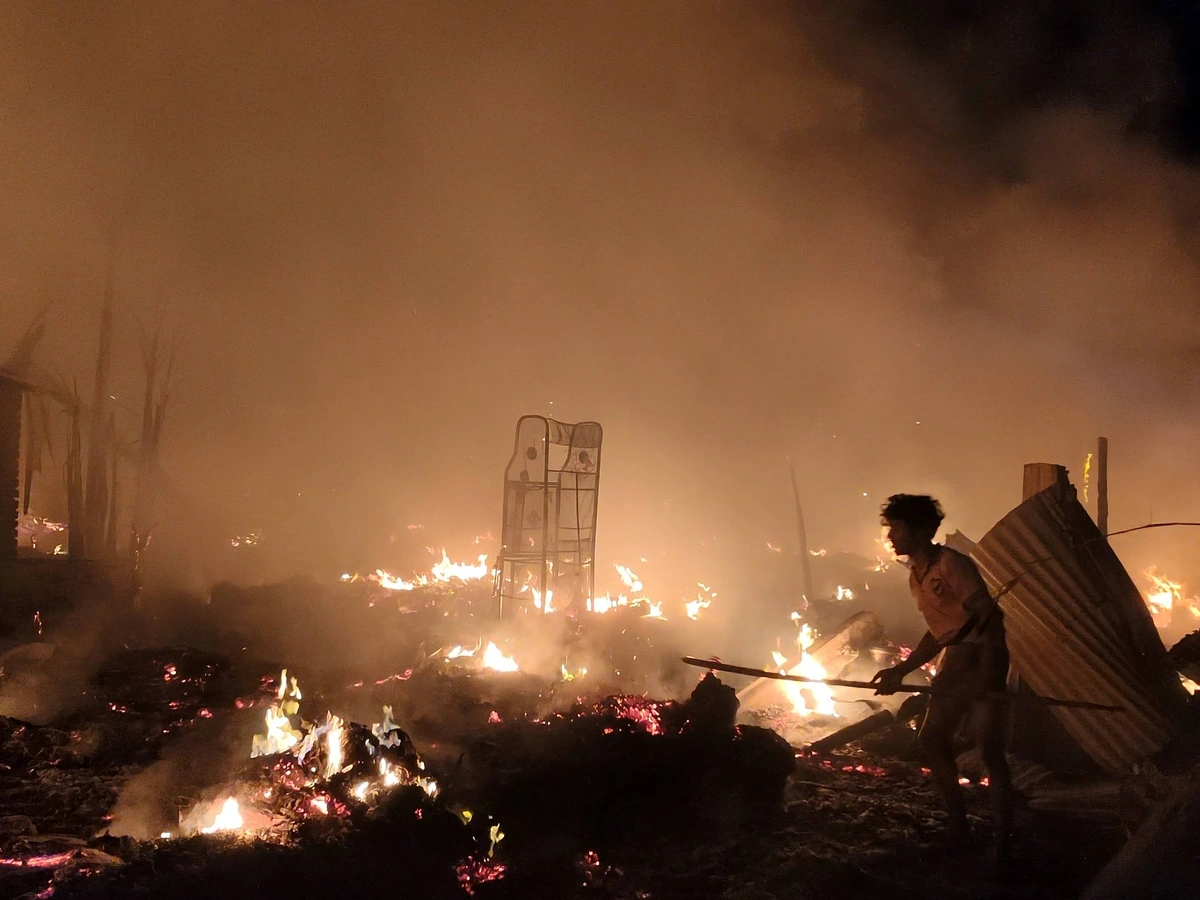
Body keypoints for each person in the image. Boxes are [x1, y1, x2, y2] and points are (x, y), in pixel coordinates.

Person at [871, 493, 1014, 866]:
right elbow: (941, 632)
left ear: (919, 530)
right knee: (934, 739)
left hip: (981, 657)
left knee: (990, 751)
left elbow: (989, 617)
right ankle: (959, 830)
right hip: (957, 658)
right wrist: (901, 670)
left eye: (897, 528)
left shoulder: (951, 565)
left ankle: (1004, 846)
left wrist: (988, 673)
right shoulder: (917, 577)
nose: (890, 536)